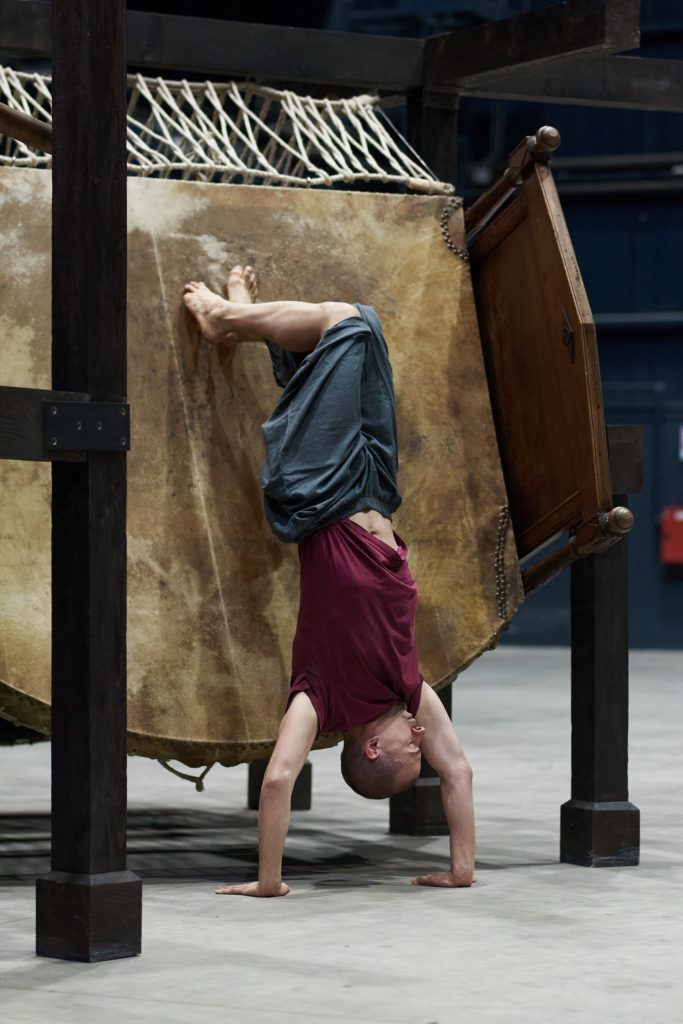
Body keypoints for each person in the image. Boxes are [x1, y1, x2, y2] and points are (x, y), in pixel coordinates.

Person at [183, 266, 475, 897]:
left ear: (372, 750)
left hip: (318, 494)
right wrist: (461, 870)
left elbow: (279, 778)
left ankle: (226, 318)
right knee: (362, 335)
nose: (421, 735)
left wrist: (269, 882)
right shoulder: (405, 689)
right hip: (375, 486)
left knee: (346, 322)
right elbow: (458, 769)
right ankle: (248, 327)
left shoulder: (319, 703)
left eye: (411, 749)